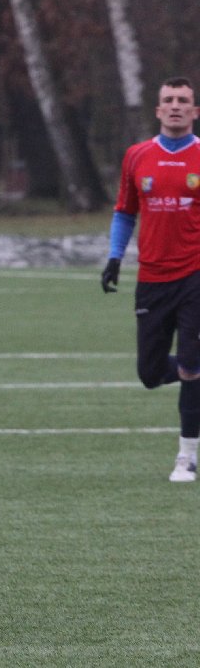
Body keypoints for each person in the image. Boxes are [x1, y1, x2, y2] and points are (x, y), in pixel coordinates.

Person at [101, 76, 200, 483]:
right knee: (149, 371)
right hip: (152, 278)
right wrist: (113, 258)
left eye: (183, 100)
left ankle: (187, 457)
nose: (175, 105)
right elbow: (125, 212)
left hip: (195, 274)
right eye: (168, 100)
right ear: (158, 109)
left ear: (194, 111)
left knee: (191, 367)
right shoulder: (137, 156)